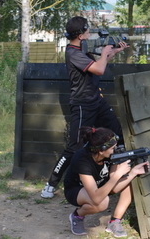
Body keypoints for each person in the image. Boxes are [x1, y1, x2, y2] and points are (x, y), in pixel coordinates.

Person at [41, 16, 128, 198]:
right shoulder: (73, 53)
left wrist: (115, 51)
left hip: (97, 101)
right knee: (74, 147)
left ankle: (116, 178)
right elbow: (99, 69)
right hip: (83, 105)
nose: (90, 33)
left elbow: (99, 63)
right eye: (87, 30)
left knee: (116, 135)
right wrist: (104, 53)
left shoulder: (81, 49)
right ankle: (51, 184)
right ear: (80, 35)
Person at [64, 126, 149, 236]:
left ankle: (114, 222)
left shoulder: (110, 155)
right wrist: (117, 175)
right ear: (101, 150)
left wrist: (133, 172)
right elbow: (96, 198)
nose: (116, 149)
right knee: (102, 203)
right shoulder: (82, 160)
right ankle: (77, 216)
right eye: (113, 148)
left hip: (99, 187)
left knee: (128, 182)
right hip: (76, 190)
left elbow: (113, 188)